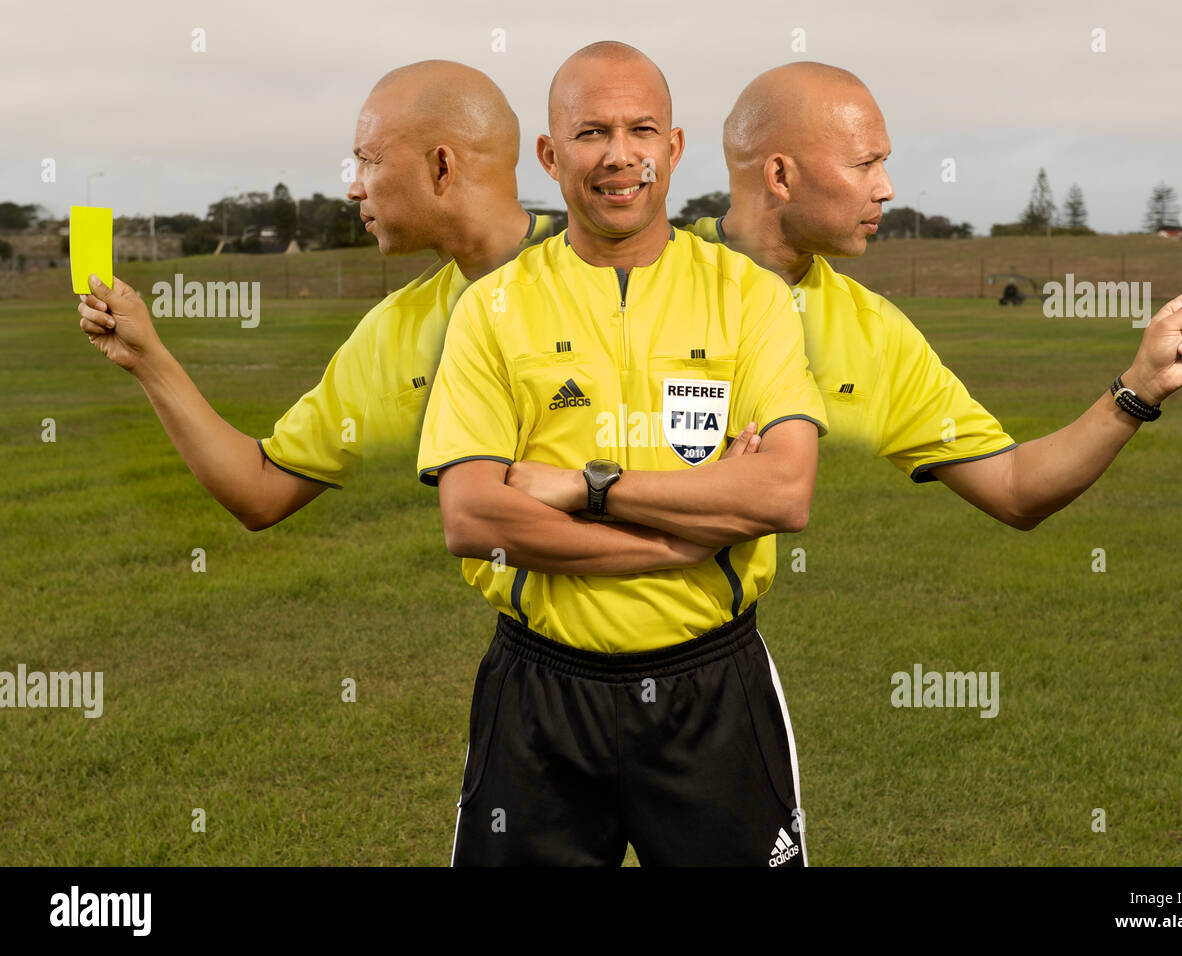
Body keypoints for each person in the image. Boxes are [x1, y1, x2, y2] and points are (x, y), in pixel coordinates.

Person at [416, 41, 827, 866]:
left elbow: (783, 492)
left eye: (642, 130)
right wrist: (682, 536)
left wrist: (584, 488)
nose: (618, 156)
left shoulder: (750, 299)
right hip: (540, 695)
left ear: (673, 150)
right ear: (550, 154)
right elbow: (471, 516)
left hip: (713, 687)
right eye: (591, 131)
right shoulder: (493, 309)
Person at [686, 62, 1182, 527]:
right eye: (864, 163)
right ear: (780, 176)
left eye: (884, 162)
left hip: (731, 642)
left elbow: (1015, 488)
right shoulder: (642, 276)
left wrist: (1139, 388)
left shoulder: (874, 329)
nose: (887, 187)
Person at [74, 61, 556, 528]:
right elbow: (262, 489)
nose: (353, 188)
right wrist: (147, 359)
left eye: (368, 161)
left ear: (442, 167)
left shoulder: (613, 266)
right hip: (514, 615)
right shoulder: (392, 330)